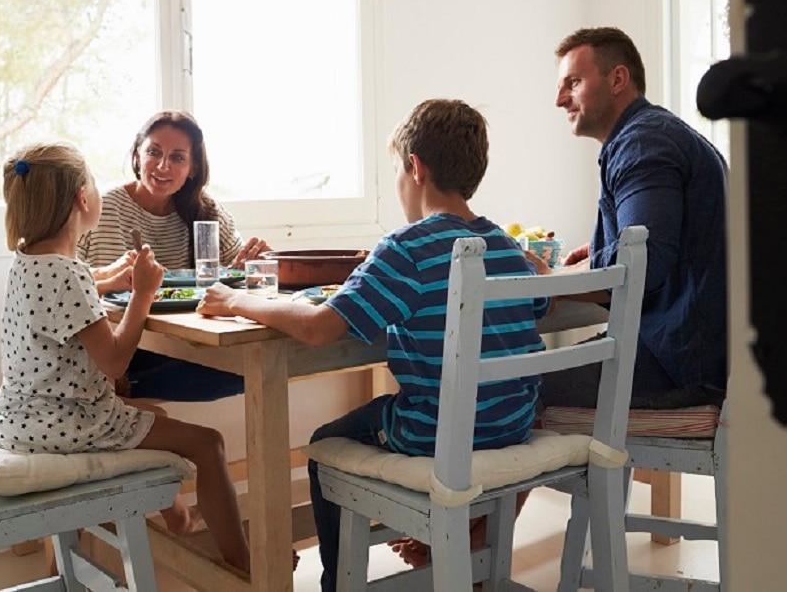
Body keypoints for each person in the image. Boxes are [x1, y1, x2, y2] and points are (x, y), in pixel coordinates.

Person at [196, 98, 550, 592]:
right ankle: (451, 550)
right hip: (510, 424)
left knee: (324, 445)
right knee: (401, 413)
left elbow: (319, 327)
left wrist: (237, 299)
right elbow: (537, 309)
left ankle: (341, 585)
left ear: (415, 167)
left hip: (443, 434)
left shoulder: (407, 247)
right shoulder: (509, 248)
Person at [0, 142, 251, 572]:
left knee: (153, 414)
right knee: (209, 443)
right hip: (66, 423)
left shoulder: (31, 261)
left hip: (21, 418)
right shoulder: (67, 274)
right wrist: (142, 294)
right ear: (82, 199)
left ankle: (180, 517)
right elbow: (114, 363)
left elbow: (75, 288)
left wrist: (109, 278)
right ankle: (245, 564)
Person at [545, 26, 728, 409]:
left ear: (617, 79)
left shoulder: (641, 143)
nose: (559, 99)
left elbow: (642, 264)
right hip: (694, 354)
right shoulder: (658, 134)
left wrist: (548, 281)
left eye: (573, 83)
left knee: (504, 393)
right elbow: (660, 248)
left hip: (677, 364)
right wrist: (598, 252)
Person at [78, 110, 266, 401]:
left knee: (257, 368)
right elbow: (61, 279)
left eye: (178, 157)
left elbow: (237, 270)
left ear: (193, 168)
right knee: (254, 372)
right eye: (154, 152)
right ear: (137, 156)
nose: (163, 166)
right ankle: (119, 388)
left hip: (185, 345)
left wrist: (254, 264)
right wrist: (111, 275)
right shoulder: (100, 207)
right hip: (116, 349)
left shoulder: (206, 212)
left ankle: (126, 389)